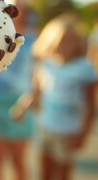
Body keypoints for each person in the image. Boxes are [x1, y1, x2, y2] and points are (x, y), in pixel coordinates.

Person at [31, 12, 97, 180]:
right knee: (44, 170)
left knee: (62, 172)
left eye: (70, 40)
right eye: (62, 39)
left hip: (68, 130)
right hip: (45, 126)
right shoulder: (46, 63)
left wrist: (83, 133)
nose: (65, 44)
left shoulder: (84, 68)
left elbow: (90, 104)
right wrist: (22, 107)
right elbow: (37, 91)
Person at [0, 0, 37, 180]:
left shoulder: (33, 39)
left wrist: (30, 100)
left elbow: (39, 75)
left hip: (19, 102)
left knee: (18, 161)